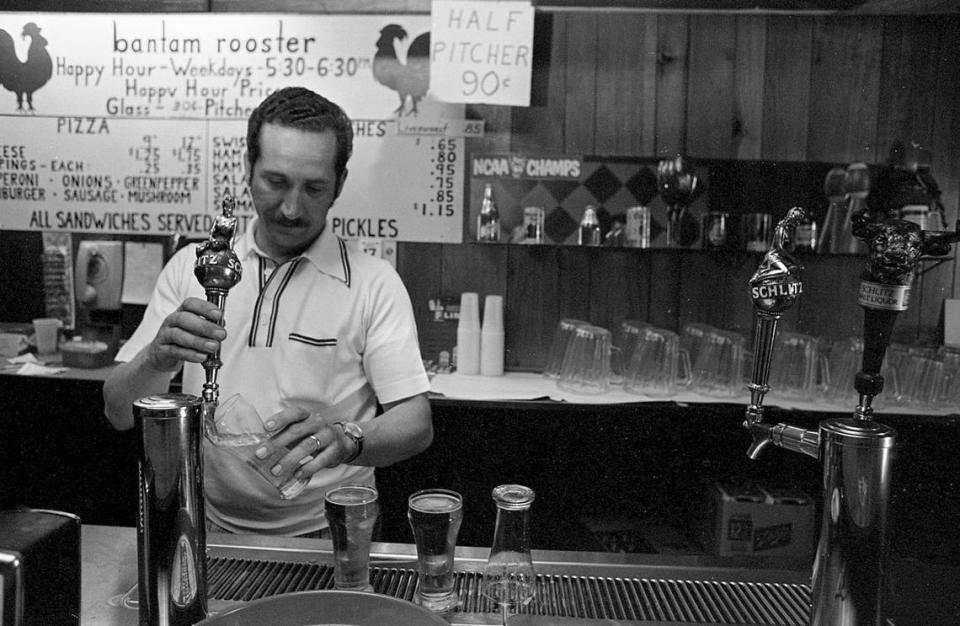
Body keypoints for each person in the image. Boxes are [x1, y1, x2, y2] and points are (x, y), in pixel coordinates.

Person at [103, 86, 433, 537]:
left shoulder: (373, 282)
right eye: (275, 182)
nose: (291, 208)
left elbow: (416, 423)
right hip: (207, 527)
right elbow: (119, 411)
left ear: (339, 184)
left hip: (334, 530)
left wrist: (346, 439)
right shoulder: (193, 269)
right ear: (248, 169)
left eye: (314, 187)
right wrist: (157, 357)